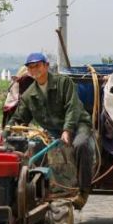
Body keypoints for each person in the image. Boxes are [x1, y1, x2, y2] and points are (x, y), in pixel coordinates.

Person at [10, 52, 95, 201]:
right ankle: (41, 191)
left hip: (78, 124)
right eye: (30, 67)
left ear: (46, 66)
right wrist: (5, 133)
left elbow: (72, 107)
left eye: (37, 65)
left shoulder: (64, 83)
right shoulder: (28, 95)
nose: (34, 69)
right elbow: (18, 118)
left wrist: (67, 130)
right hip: (51, 131)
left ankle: (83, 190)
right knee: (34, 148)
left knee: (80, 145)